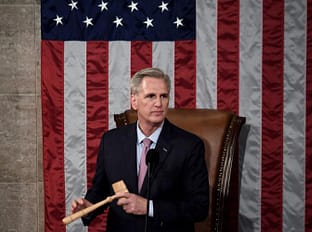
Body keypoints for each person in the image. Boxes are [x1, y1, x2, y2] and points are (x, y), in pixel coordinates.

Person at [70, 67, 209, 232]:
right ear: (134, 101)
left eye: (163, 96)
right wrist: (89, 207)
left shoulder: (188, 145)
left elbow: (199, 207)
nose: (158, 103)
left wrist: (149, 207)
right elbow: (101, 189)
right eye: (151, 96)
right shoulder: (112, 141)